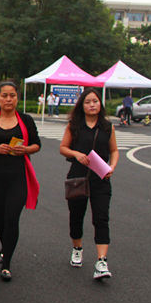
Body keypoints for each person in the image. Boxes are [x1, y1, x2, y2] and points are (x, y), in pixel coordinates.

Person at [0, 81, 41, 281]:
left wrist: (26, 150)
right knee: (0, 218)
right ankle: (5, 245)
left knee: (12, 218)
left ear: (17, 98)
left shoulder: (26, 120)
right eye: (5, 96)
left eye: (12, 95)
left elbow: (37, 144)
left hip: (18, 176)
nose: (9, 99)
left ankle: (6, 263)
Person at [59, 88, 119, 280]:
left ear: (100, 104)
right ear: (82, 106)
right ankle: (77, 248)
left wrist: (112, 166)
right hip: (78, 176)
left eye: (95, 101)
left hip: (101, 178)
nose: (92, 104)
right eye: (88, 102)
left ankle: (102, 261)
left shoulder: (108, 127)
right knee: (76, 216)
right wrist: (76, 154)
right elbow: (63, 148)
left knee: (101, 218)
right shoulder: (74, 126)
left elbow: (115, 150)